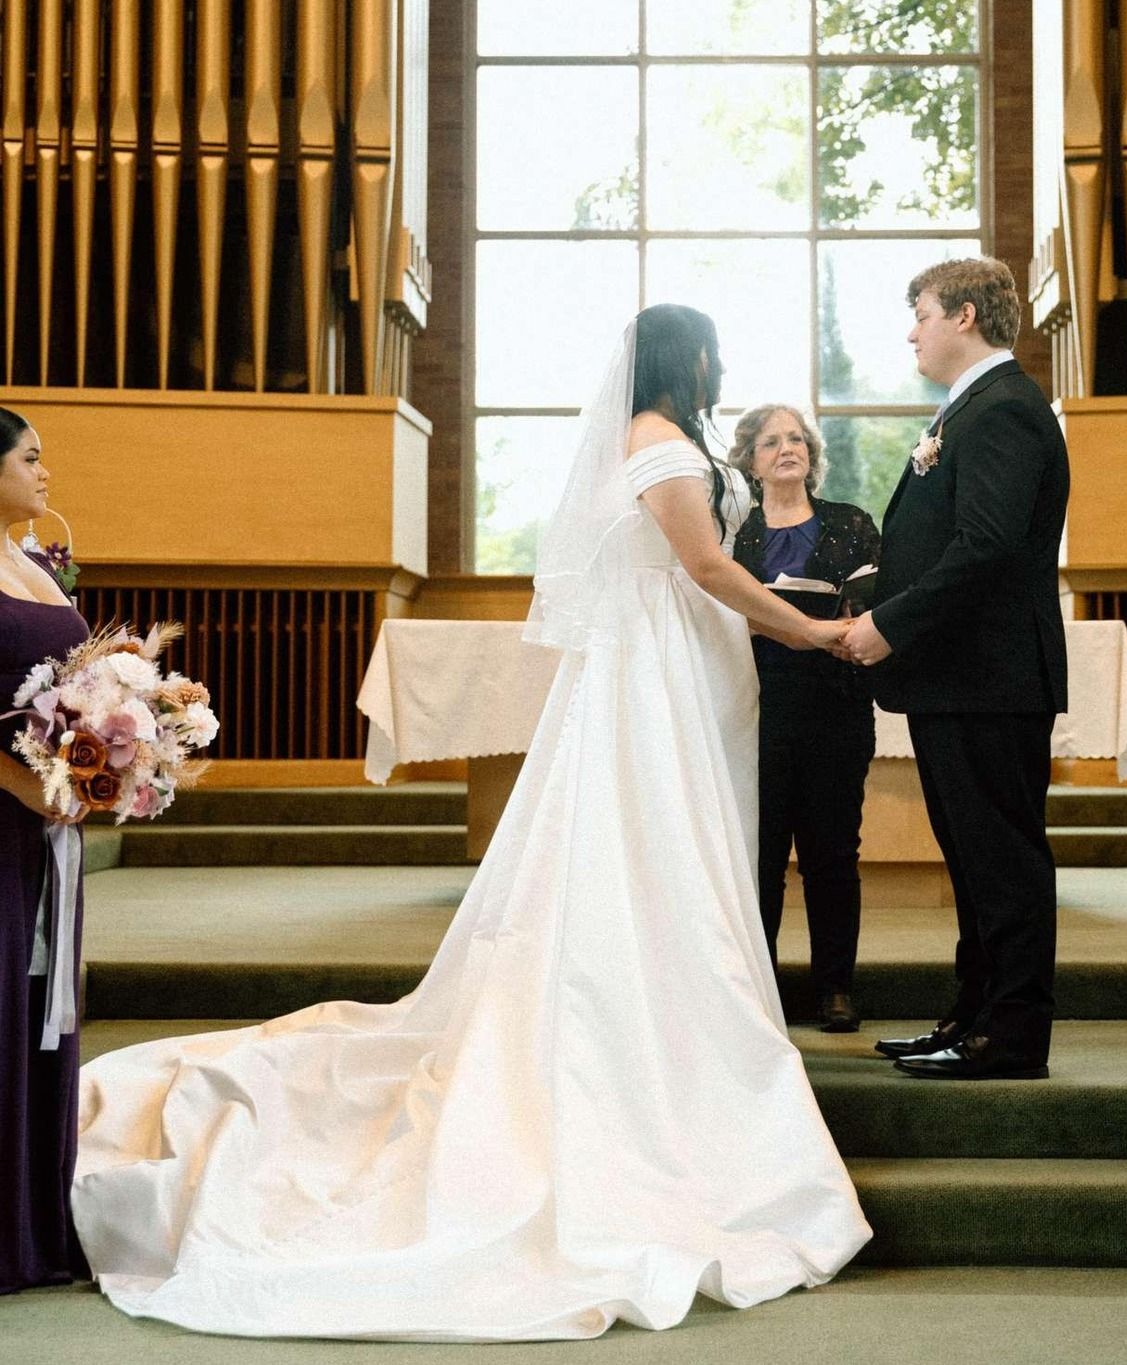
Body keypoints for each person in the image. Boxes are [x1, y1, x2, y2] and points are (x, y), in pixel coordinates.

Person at [71, 304, 871, 1341]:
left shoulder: (660, 441)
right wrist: (809, 631)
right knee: (649, 842)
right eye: (712, 347)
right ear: (688, 358)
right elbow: (708, 570)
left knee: (662, 850)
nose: (721, 362)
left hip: (670, 664)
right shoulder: (663, 444)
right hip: (656, 675)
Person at [841, 257, 1069, 1081]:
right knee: (972, 858)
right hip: (962, 675)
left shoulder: (1001, 409)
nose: (912, 330)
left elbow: (987, 545)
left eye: (922, 313)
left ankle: (1009, 1034)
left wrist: (889, 627)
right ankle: (969, 1017)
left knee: (999, 859)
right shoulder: (974, 406)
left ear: (965, 316)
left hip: (987, 675)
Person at [729, 405, 881, 1032]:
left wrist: (810, 628)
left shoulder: (850, 522)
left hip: (836, 704)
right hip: (757, 709)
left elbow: (871, 603)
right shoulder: (735, 535)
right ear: (751, 459)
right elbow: (721, 610)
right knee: (759, 856)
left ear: (812, 455)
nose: (786, 448)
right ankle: (759, 987)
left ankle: (835, 989)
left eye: (796, 438)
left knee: (832, 853)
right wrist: (795, 625)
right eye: (771, 441)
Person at [0, 407, 92, 1295]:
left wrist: (118, 750)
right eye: (30, 458)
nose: (44, 472)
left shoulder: (35, 561)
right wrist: (26, 780)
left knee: (38, 1006)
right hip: (5, 814)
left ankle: (35, 1224)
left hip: (43, 823)